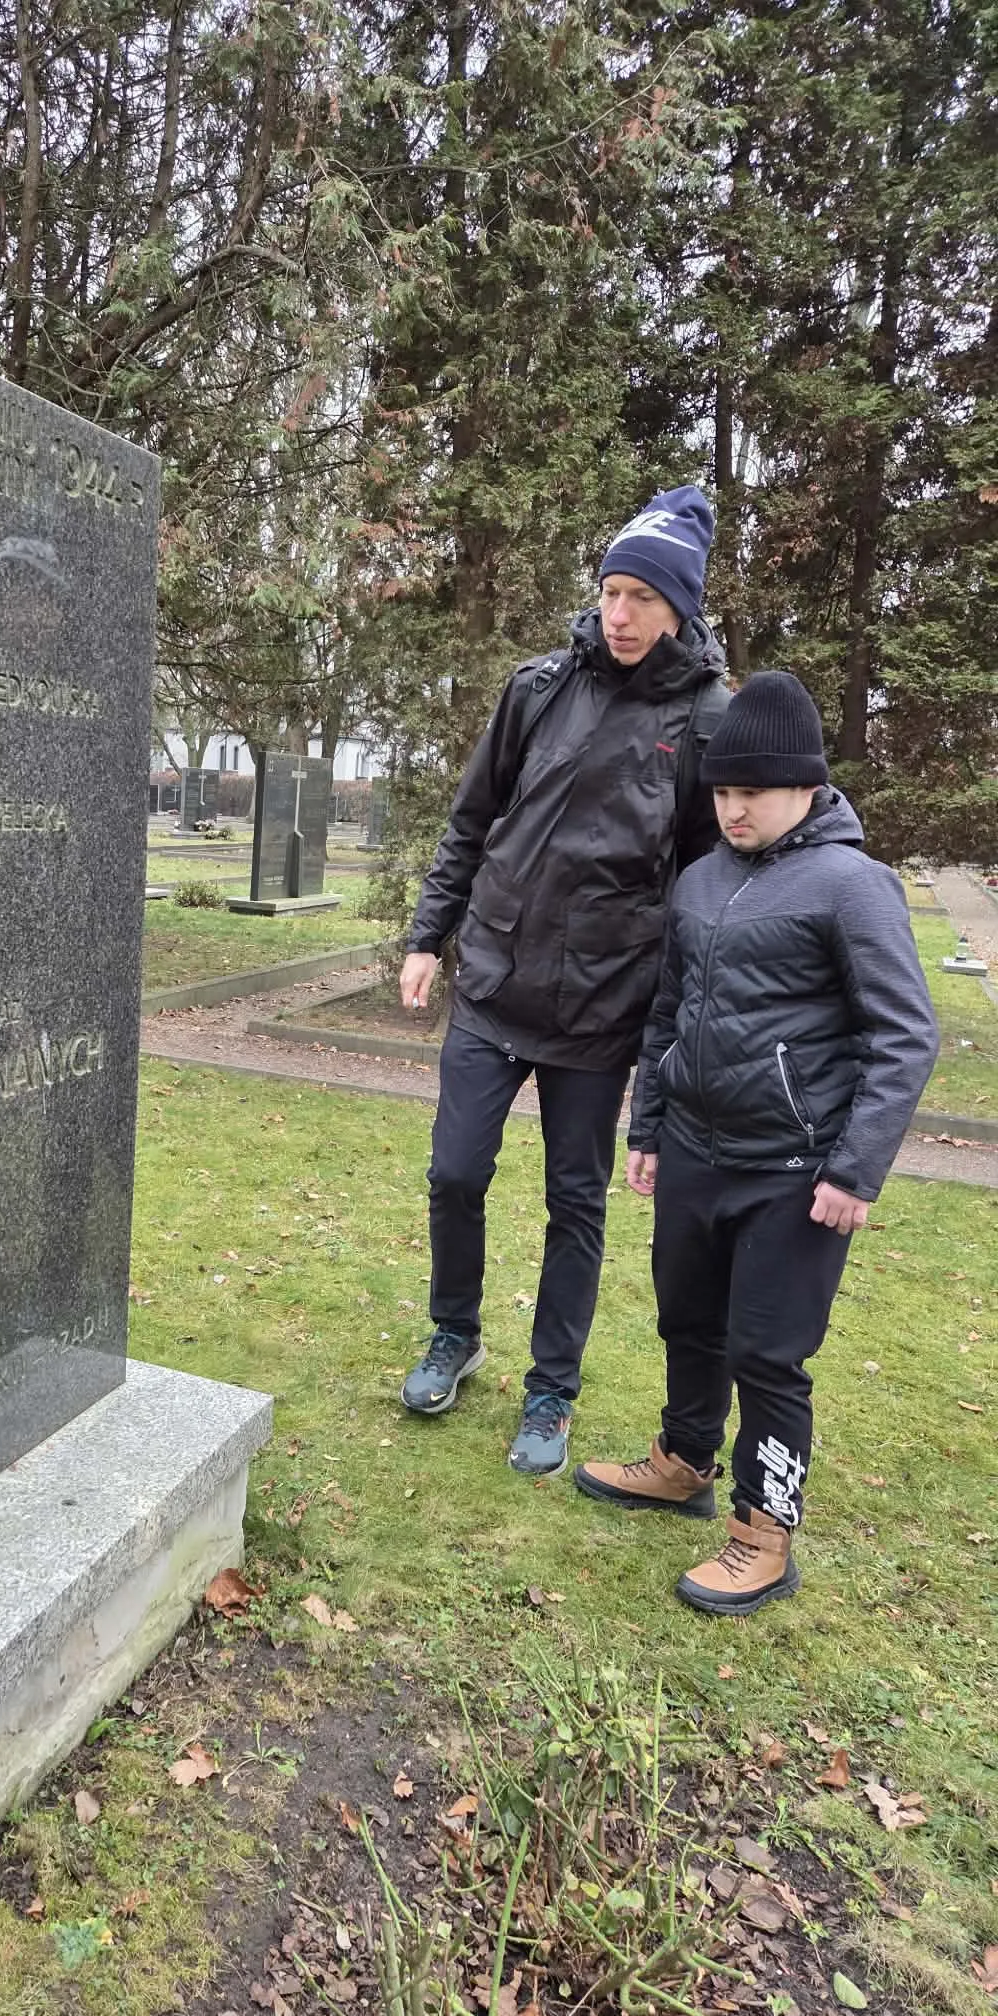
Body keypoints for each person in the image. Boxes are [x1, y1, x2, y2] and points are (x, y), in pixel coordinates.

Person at [573, 670, 939, 1613]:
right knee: (687, 1324)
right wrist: (650, 1126)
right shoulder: (702, 880)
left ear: (808, 788)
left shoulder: (854, 887)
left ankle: (764, 1532)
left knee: (768, 1358)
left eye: (755, 793)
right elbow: (669, 1012)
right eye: (724, 792)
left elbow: (905, 1035)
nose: (734, 810)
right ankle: (683, 1460)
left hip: (796, 1175)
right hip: (695, 1153)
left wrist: (855, 1170)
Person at [399, 486, 732, 1476]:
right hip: (494, 981)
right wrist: (428, 937)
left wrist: (681, 1011)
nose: (619, 614)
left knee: (574, 1202)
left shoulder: (706, 721)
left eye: (642, 597)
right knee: (455, 1172)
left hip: (602, 1006)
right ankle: (454, 1333)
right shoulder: (538, 688)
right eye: (610, 591)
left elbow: (708, 880)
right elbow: (471, 822)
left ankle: (552, 1388)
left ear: (680, 607)